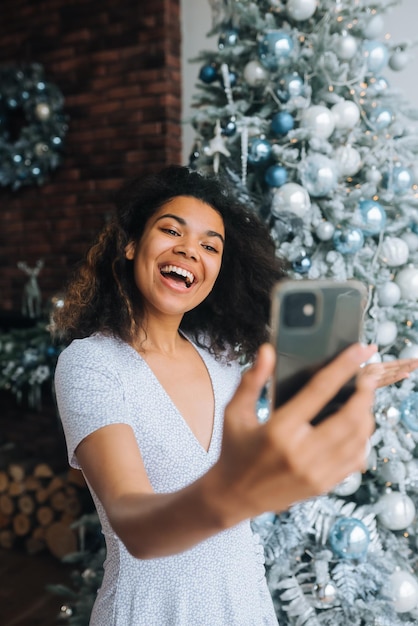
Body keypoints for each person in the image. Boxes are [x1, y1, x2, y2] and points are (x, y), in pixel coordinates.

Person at [53, 165, 418, 626]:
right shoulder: (90, 364)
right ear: (130, 244)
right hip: (151, 611)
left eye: (210, 246)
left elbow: (266, 444)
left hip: (244, 601)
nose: (190, 250)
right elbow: (133, 524)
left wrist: (342, 389)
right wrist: (234, 493)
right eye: (171, 230)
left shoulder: (220, 359)